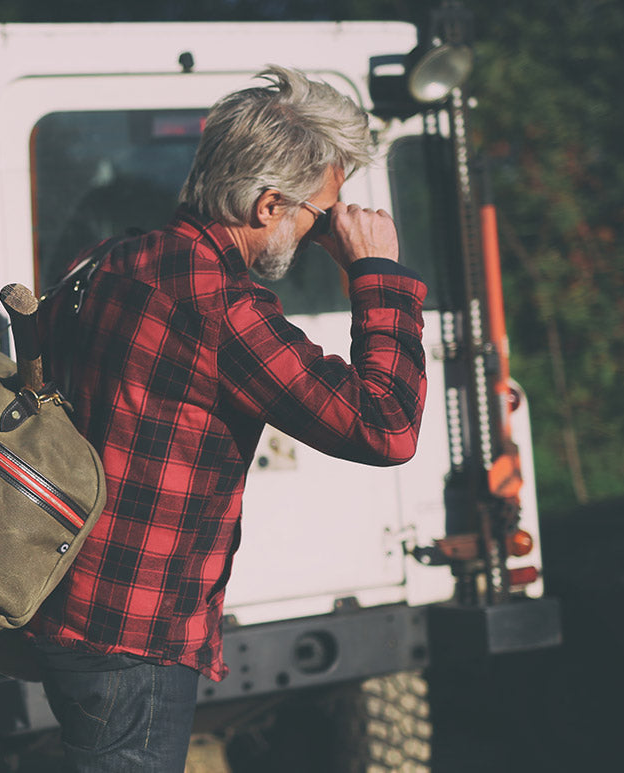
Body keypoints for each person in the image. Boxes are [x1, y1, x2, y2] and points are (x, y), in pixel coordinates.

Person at [26, 65, 429, 772]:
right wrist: (375, 275)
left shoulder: (110, 261)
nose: (322, 231)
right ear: (267, 205)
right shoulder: (220, 305)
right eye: (319, 213)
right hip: (137, 637)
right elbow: (386, 426)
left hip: (71, 607)